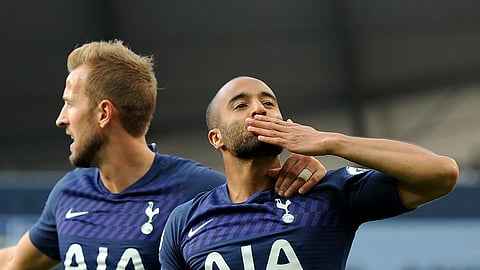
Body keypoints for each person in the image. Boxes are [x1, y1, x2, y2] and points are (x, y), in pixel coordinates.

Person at [0, 41, 326, 269]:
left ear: (103, 114)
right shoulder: (69, 193)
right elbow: (15, 261)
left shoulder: (198, 193)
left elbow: (271, 209)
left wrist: (303, 170)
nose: (61, 118)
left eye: (70, 103)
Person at [158, 76, 459, 269]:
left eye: (268, 103)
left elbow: (441, 173)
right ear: (216, 138)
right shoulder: (185, 221)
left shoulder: (325, 193)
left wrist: (331, 142)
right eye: (240, 106)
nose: (259, 109)